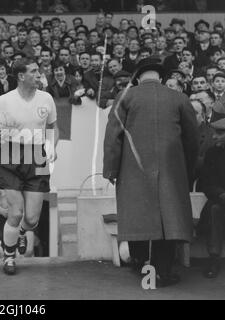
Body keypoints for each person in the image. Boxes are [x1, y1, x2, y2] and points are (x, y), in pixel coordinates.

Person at [103, 56, 199, 287]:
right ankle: (162, 272)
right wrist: (187, 170)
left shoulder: (124, 97)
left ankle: (140, 263)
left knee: (138, 216)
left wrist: (111, 170)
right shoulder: (180, 98)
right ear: (162, 76)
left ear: (137, 76)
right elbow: (192, 140)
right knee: (167, 220)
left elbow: (112, 138)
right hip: (171, 170)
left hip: (133, 168)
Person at [0, 58, 59, 275]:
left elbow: (53, 127)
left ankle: (21, 234)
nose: (39, 74)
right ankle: (8, 257)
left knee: (32, 219)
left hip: (36, 156)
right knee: (15, 214)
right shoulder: (4, 101)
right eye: (34, 71)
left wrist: (52, 146)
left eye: (39, 71)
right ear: (21, 76)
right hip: (10, 155)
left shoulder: (46, 98)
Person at [198, 118, 225, 278]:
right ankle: (214, 258)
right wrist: (222, 195)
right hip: (221, 201)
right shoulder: (212, 153)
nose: (214, 137)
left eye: (219, 133)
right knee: (215, 209)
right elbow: (208, 184)